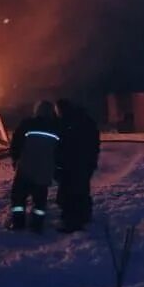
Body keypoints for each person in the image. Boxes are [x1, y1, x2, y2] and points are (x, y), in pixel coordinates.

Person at [7, 100, 61, 233]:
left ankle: (18, 223)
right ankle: (37, 225)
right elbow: (61, 151)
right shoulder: (57, 128)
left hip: (26, 168)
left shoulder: (27, 124)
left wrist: (15, 159)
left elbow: (16, 143)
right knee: (40, 200)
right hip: (44, 170)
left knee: (18, 197)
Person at [55, 98, 100, 233]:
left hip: (73, 165)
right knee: (82, 190)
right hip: (85, 163)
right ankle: (84, 215)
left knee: (69, 194)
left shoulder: (68, 123)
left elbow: (64, 145)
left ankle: (72, 222)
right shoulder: (86, 121)